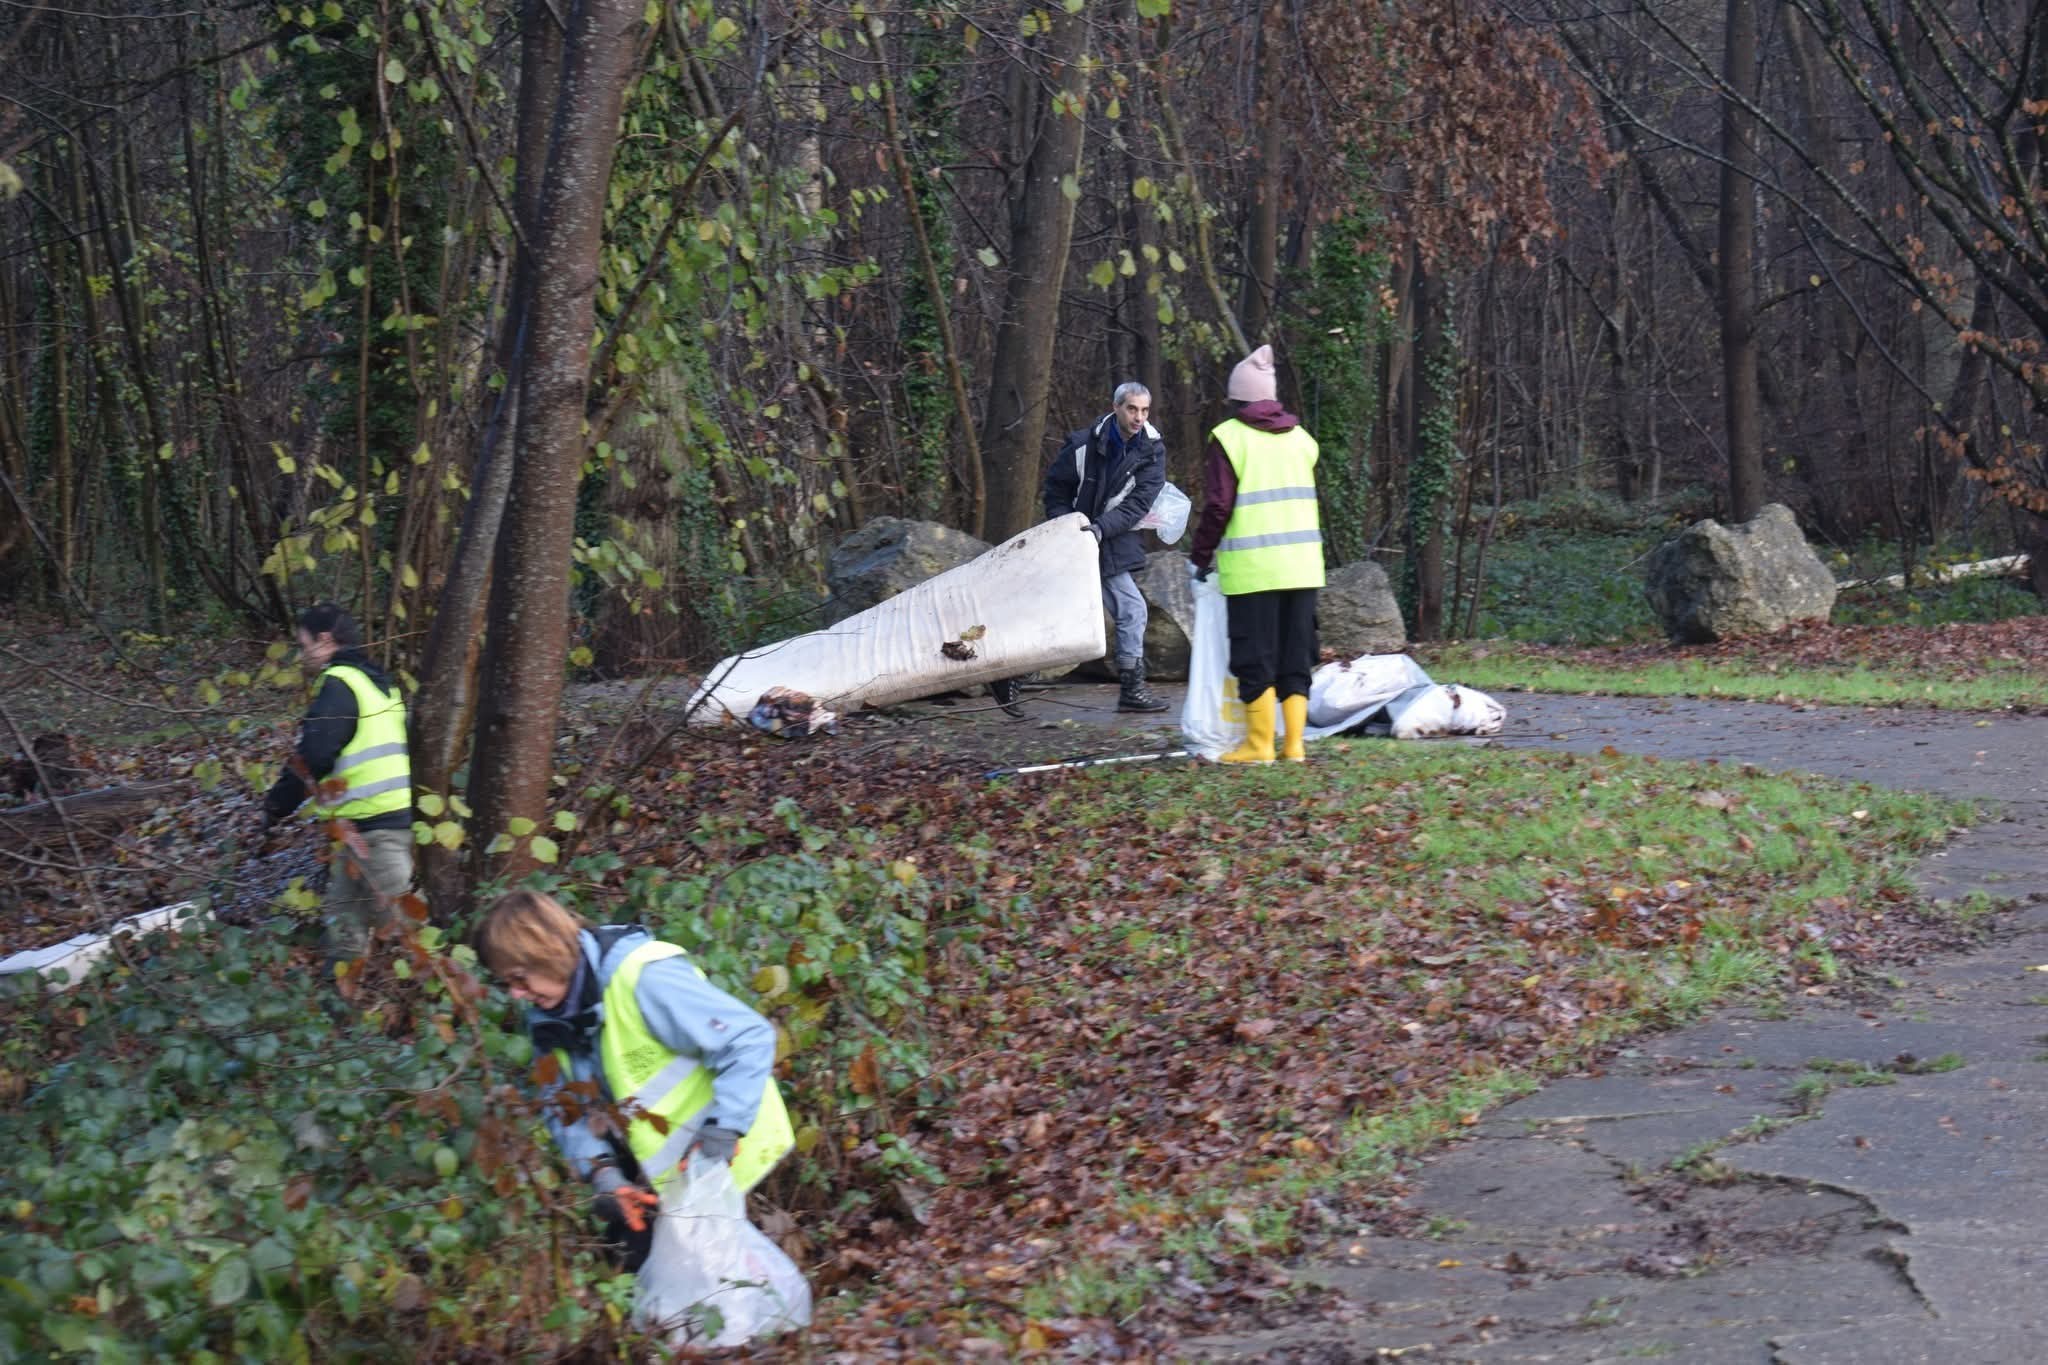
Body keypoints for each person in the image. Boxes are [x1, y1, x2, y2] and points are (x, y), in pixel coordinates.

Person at [475, 890, 792, 1267]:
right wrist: (602, 1173)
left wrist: (725, 1129)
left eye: (519, 979)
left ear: (546, 953)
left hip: (730, 1159)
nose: (515, 994)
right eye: (507, 984)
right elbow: (563, 1106)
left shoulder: (644, 978)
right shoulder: (547, 1019)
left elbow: (747, 1038)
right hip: (660, 1180)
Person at [993, 381, 1170, 716]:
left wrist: (1100, 530)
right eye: (1132, 408)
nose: (1138, 417)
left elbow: (1137, 505)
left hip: (1111, 540)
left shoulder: (1152, 450)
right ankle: (1009, 673)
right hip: (1075, 541)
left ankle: (1011, 674)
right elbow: (1056, 490)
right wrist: (1069, 527)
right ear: (1116, 407)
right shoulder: (1082, 445)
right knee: (1072, 614)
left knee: (1125, 611)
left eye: (1144, 410)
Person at [1187, 345, 1324, 764]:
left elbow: (1217, 506)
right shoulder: (1303, 439)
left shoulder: (1229, 439)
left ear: (1237, 400)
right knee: (1296, 655)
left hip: (1254, 570)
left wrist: (1201, 553)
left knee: (1255, 655)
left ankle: (1260, 745)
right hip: (1303, 568)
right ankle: (1295, 746)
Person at [262, 603, 415, 959]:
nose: (302, 656)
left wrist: (275, 806)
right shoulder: (381, 684)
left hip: (376, 832)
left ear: (325, 640)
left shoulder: (340, 683)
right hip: (373, 829)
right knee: (344, 931)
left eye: (303, 646)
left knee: (406, 939)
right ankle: (343, 1008)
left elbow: (313, 756)